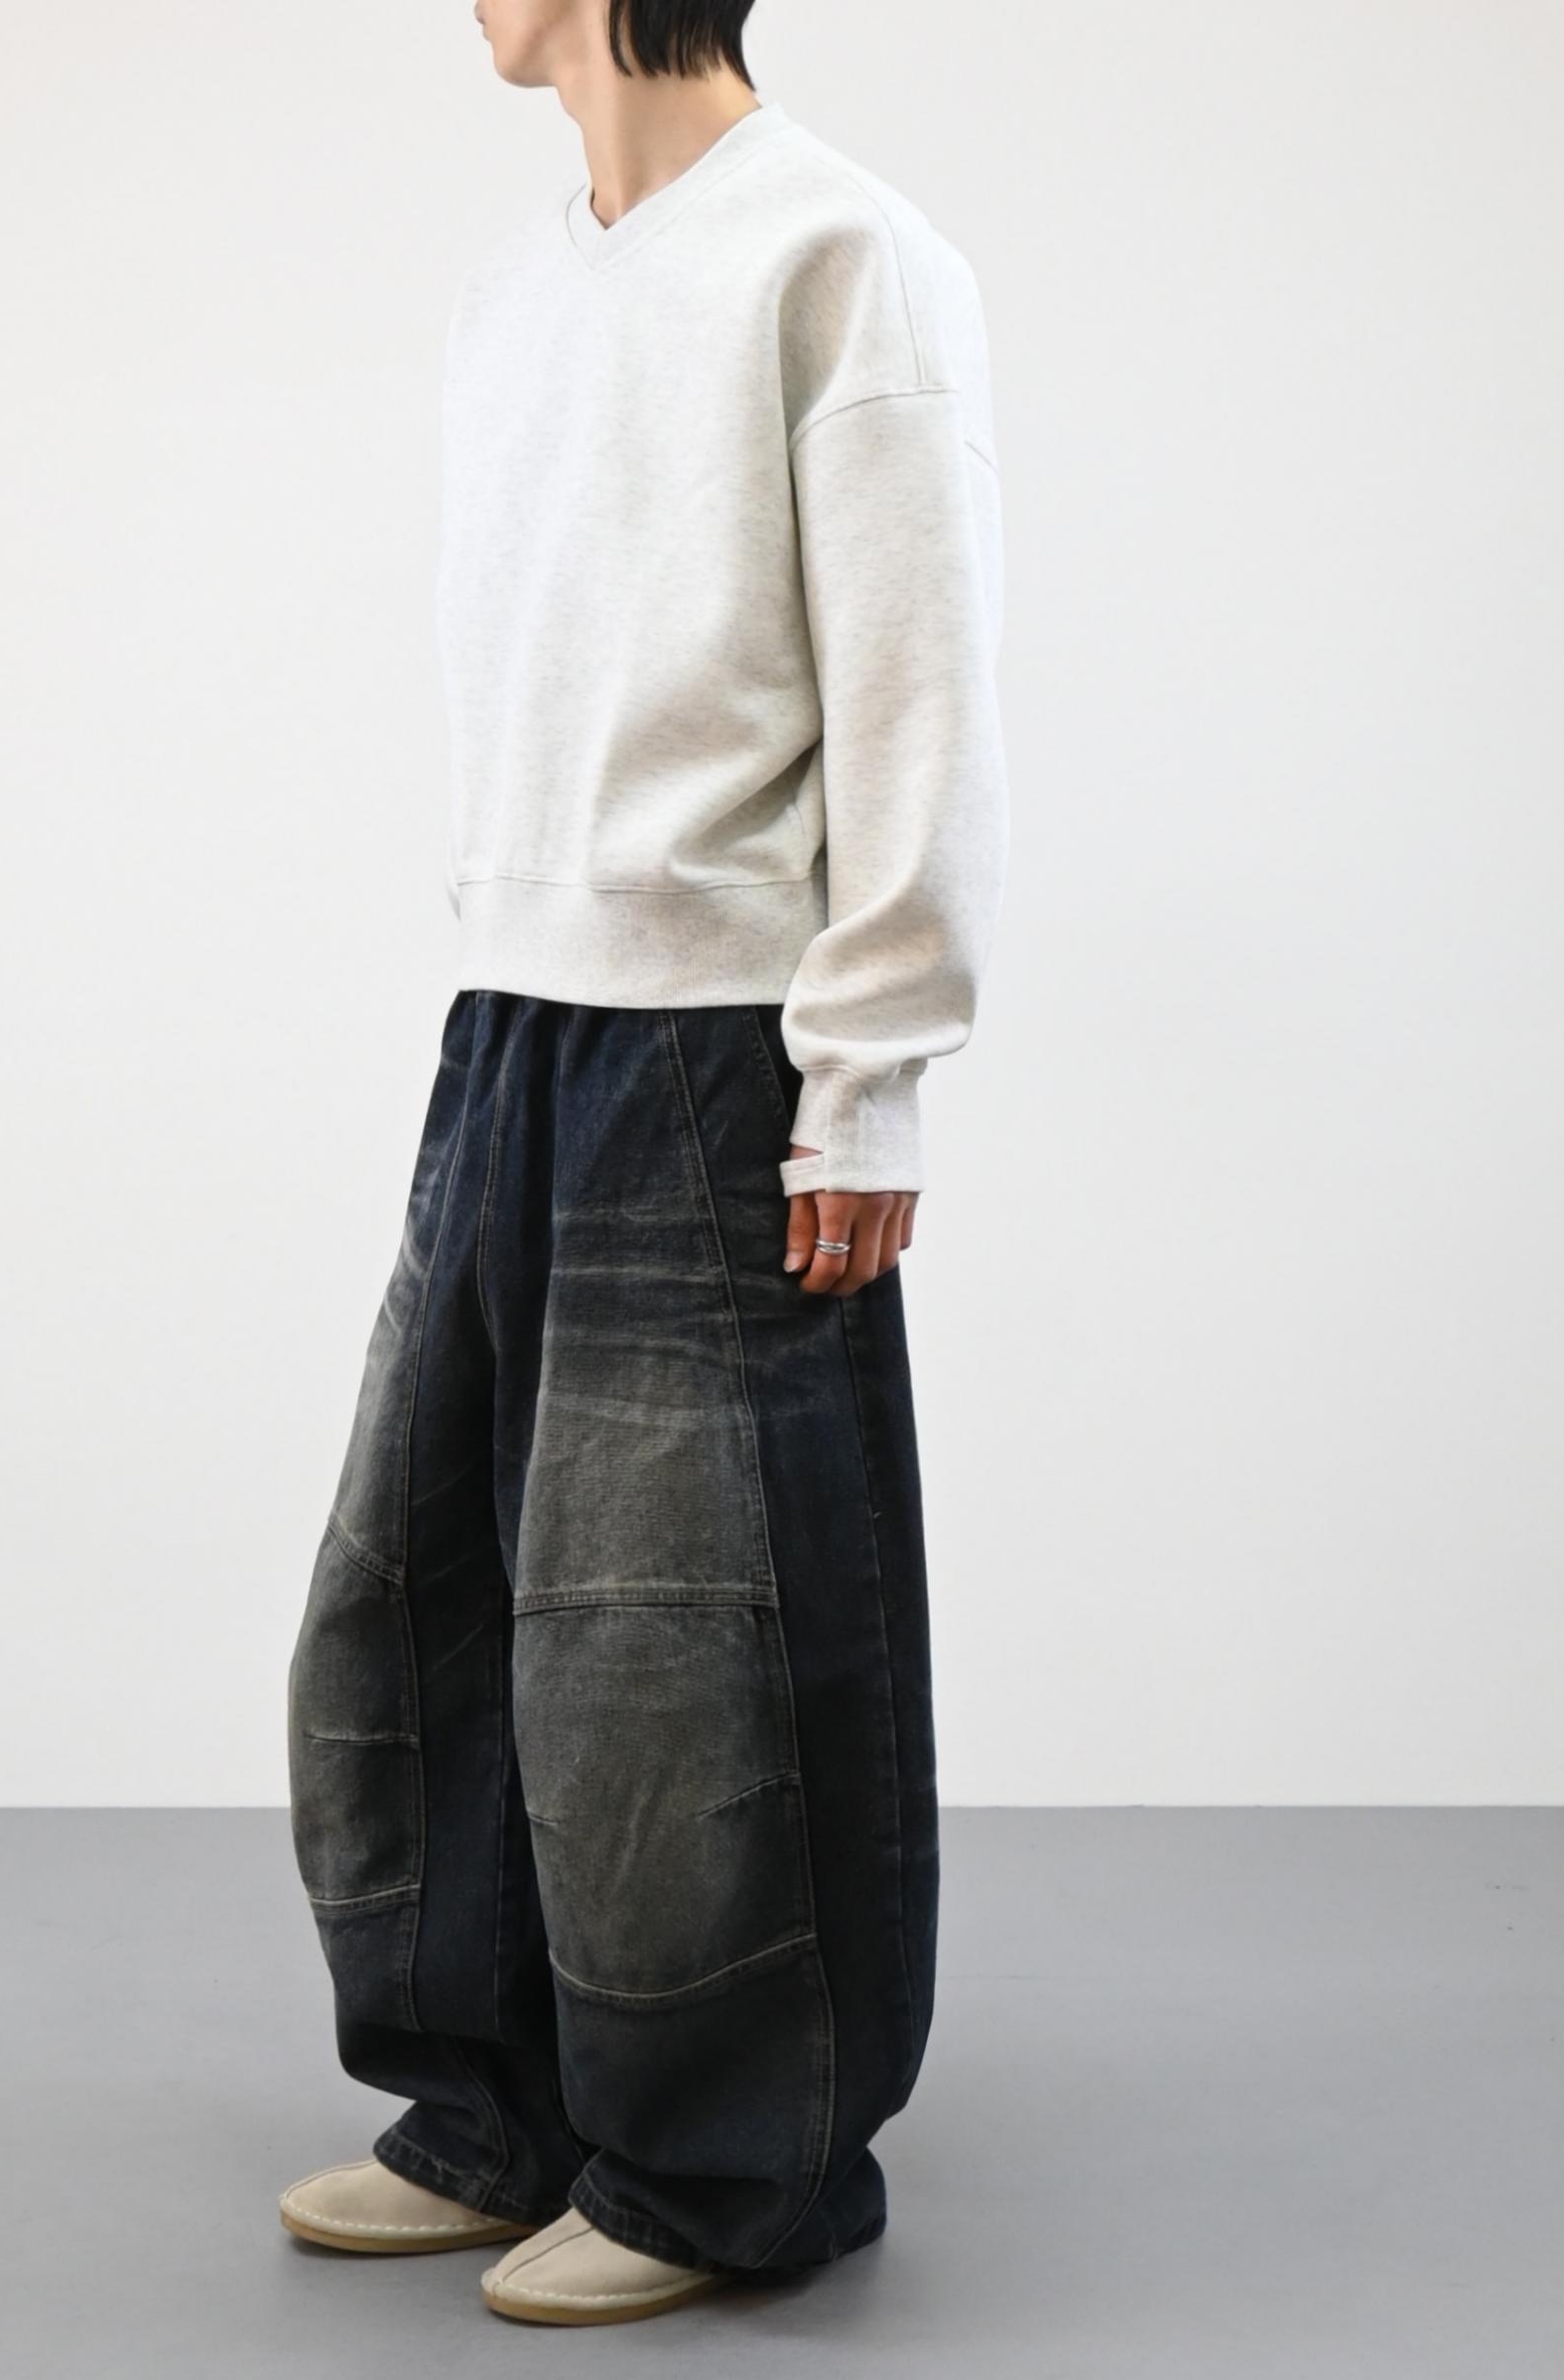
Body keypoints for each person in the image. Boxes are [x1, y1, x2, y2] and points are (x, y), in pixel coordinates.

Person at [279, 0, 1007, 2328]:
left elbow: (918, 679)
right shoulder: (529, 281)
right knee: (424, 1600)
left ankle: (721, 2166)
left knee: (685, 1653)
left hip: (713, 1043)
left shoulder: (837, 256)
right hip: (513, 1016)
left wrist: (866, 1066)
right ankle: (498, 2104)